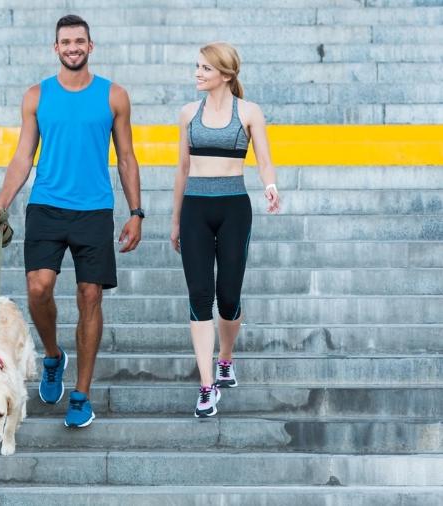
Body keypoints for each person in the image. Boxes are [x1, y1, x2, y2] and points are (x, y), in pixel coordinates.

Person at [0, 14, 143, 428]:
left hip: (94, 210)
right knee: (38, 288)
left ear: (90, 46)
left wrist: (136, 212)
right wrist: (4, 200)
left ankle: (82, 394)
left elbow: (127, 157)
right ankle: (54, 355)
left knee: (90, 295)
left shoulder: (114, 96)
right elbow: (24, 156)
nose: (73, 47)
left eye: (80, 41)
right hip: (47, 205)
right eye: (65, 42)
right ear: (55, 48)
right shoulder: (37, 96)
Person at [171, 42, 280, 418]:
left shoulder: (249, 112)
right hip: (195, 210)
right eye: (197, 66)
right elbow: (182, 171)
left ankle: (226, 358)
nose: (197, 73)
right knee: (200, 295)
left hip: (234, 208)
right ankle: (205, 386)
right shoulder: (188, 113)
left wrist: (270, 186)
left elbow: (264, 159)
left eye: (205, 68)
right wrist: (175, 220)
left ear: (226, 74)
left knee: (228, 296)